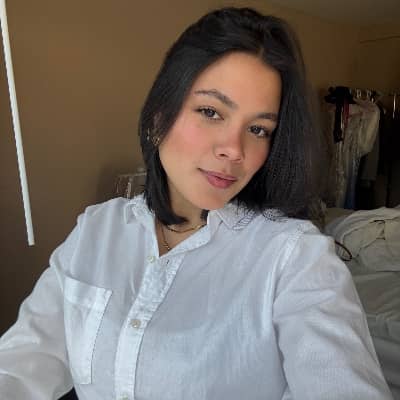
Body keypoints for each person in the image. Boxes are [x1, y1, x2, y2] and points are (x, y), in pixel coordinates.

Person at [0, 7, 393, 400]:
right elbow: (23, 360)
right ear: (159, 117)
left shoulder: (295, 259)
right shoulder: (97, 229)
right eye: (211, 111)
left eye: (258, 129)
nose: (234, 149)